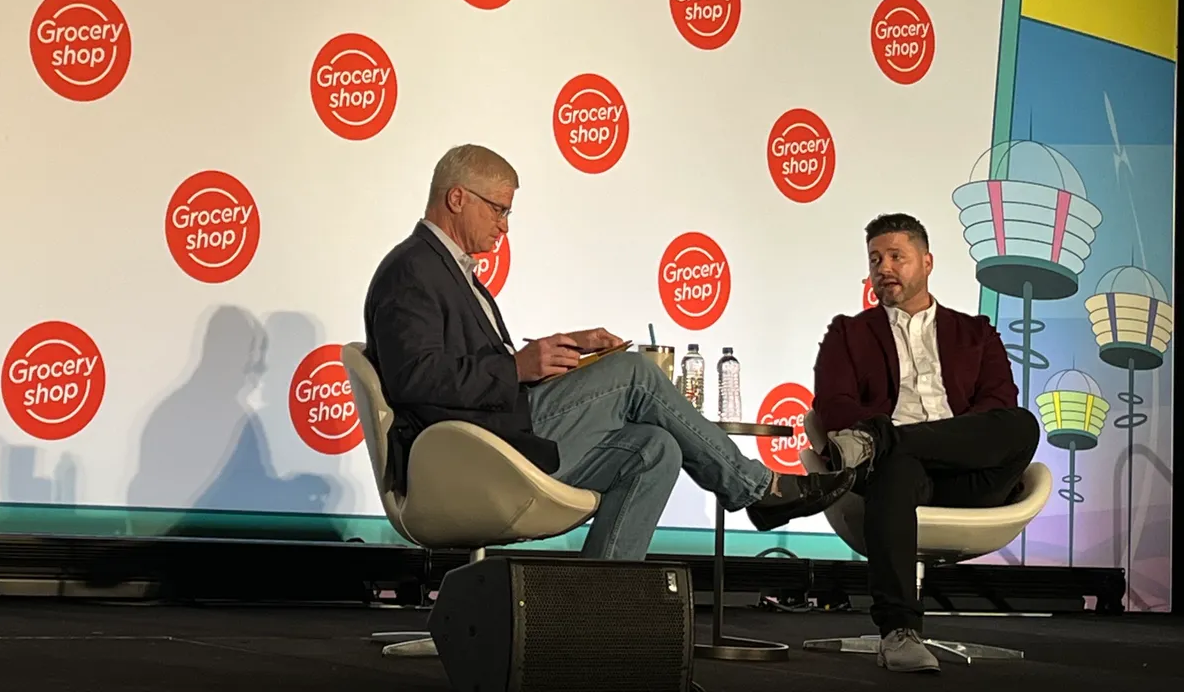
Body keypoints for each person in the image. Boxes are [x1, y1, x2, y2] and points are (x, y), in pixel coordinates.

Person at [362, 144, 855, 563]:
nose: (504, 226)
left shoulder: (448, 270)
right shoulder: (412, 270)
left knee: (655, 449)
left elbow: (469, 365)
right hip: (467, 453)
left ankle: (596, 613)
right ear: (456, 198)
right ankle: (757, 489)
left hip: (499, 431)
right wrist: (516, 366)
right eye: (498, 209)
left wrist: (562, 353)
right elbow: (416, 377)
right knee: (637, 373)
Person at [812, 212, 1041, 674]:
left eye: (897, 256)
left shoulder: (975, 332)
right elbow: (833, 406)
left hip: (968, 474)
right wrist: (894, 447)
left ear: (928, 262)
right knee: (895, 470)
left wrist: (892, 438)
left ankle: (887, 442)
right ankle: (899, 632)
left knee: (1020, 424)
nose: (884, 268)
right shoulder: (848, 333)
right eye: (876, 259)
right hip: (899, 477)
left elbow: (997, 402)